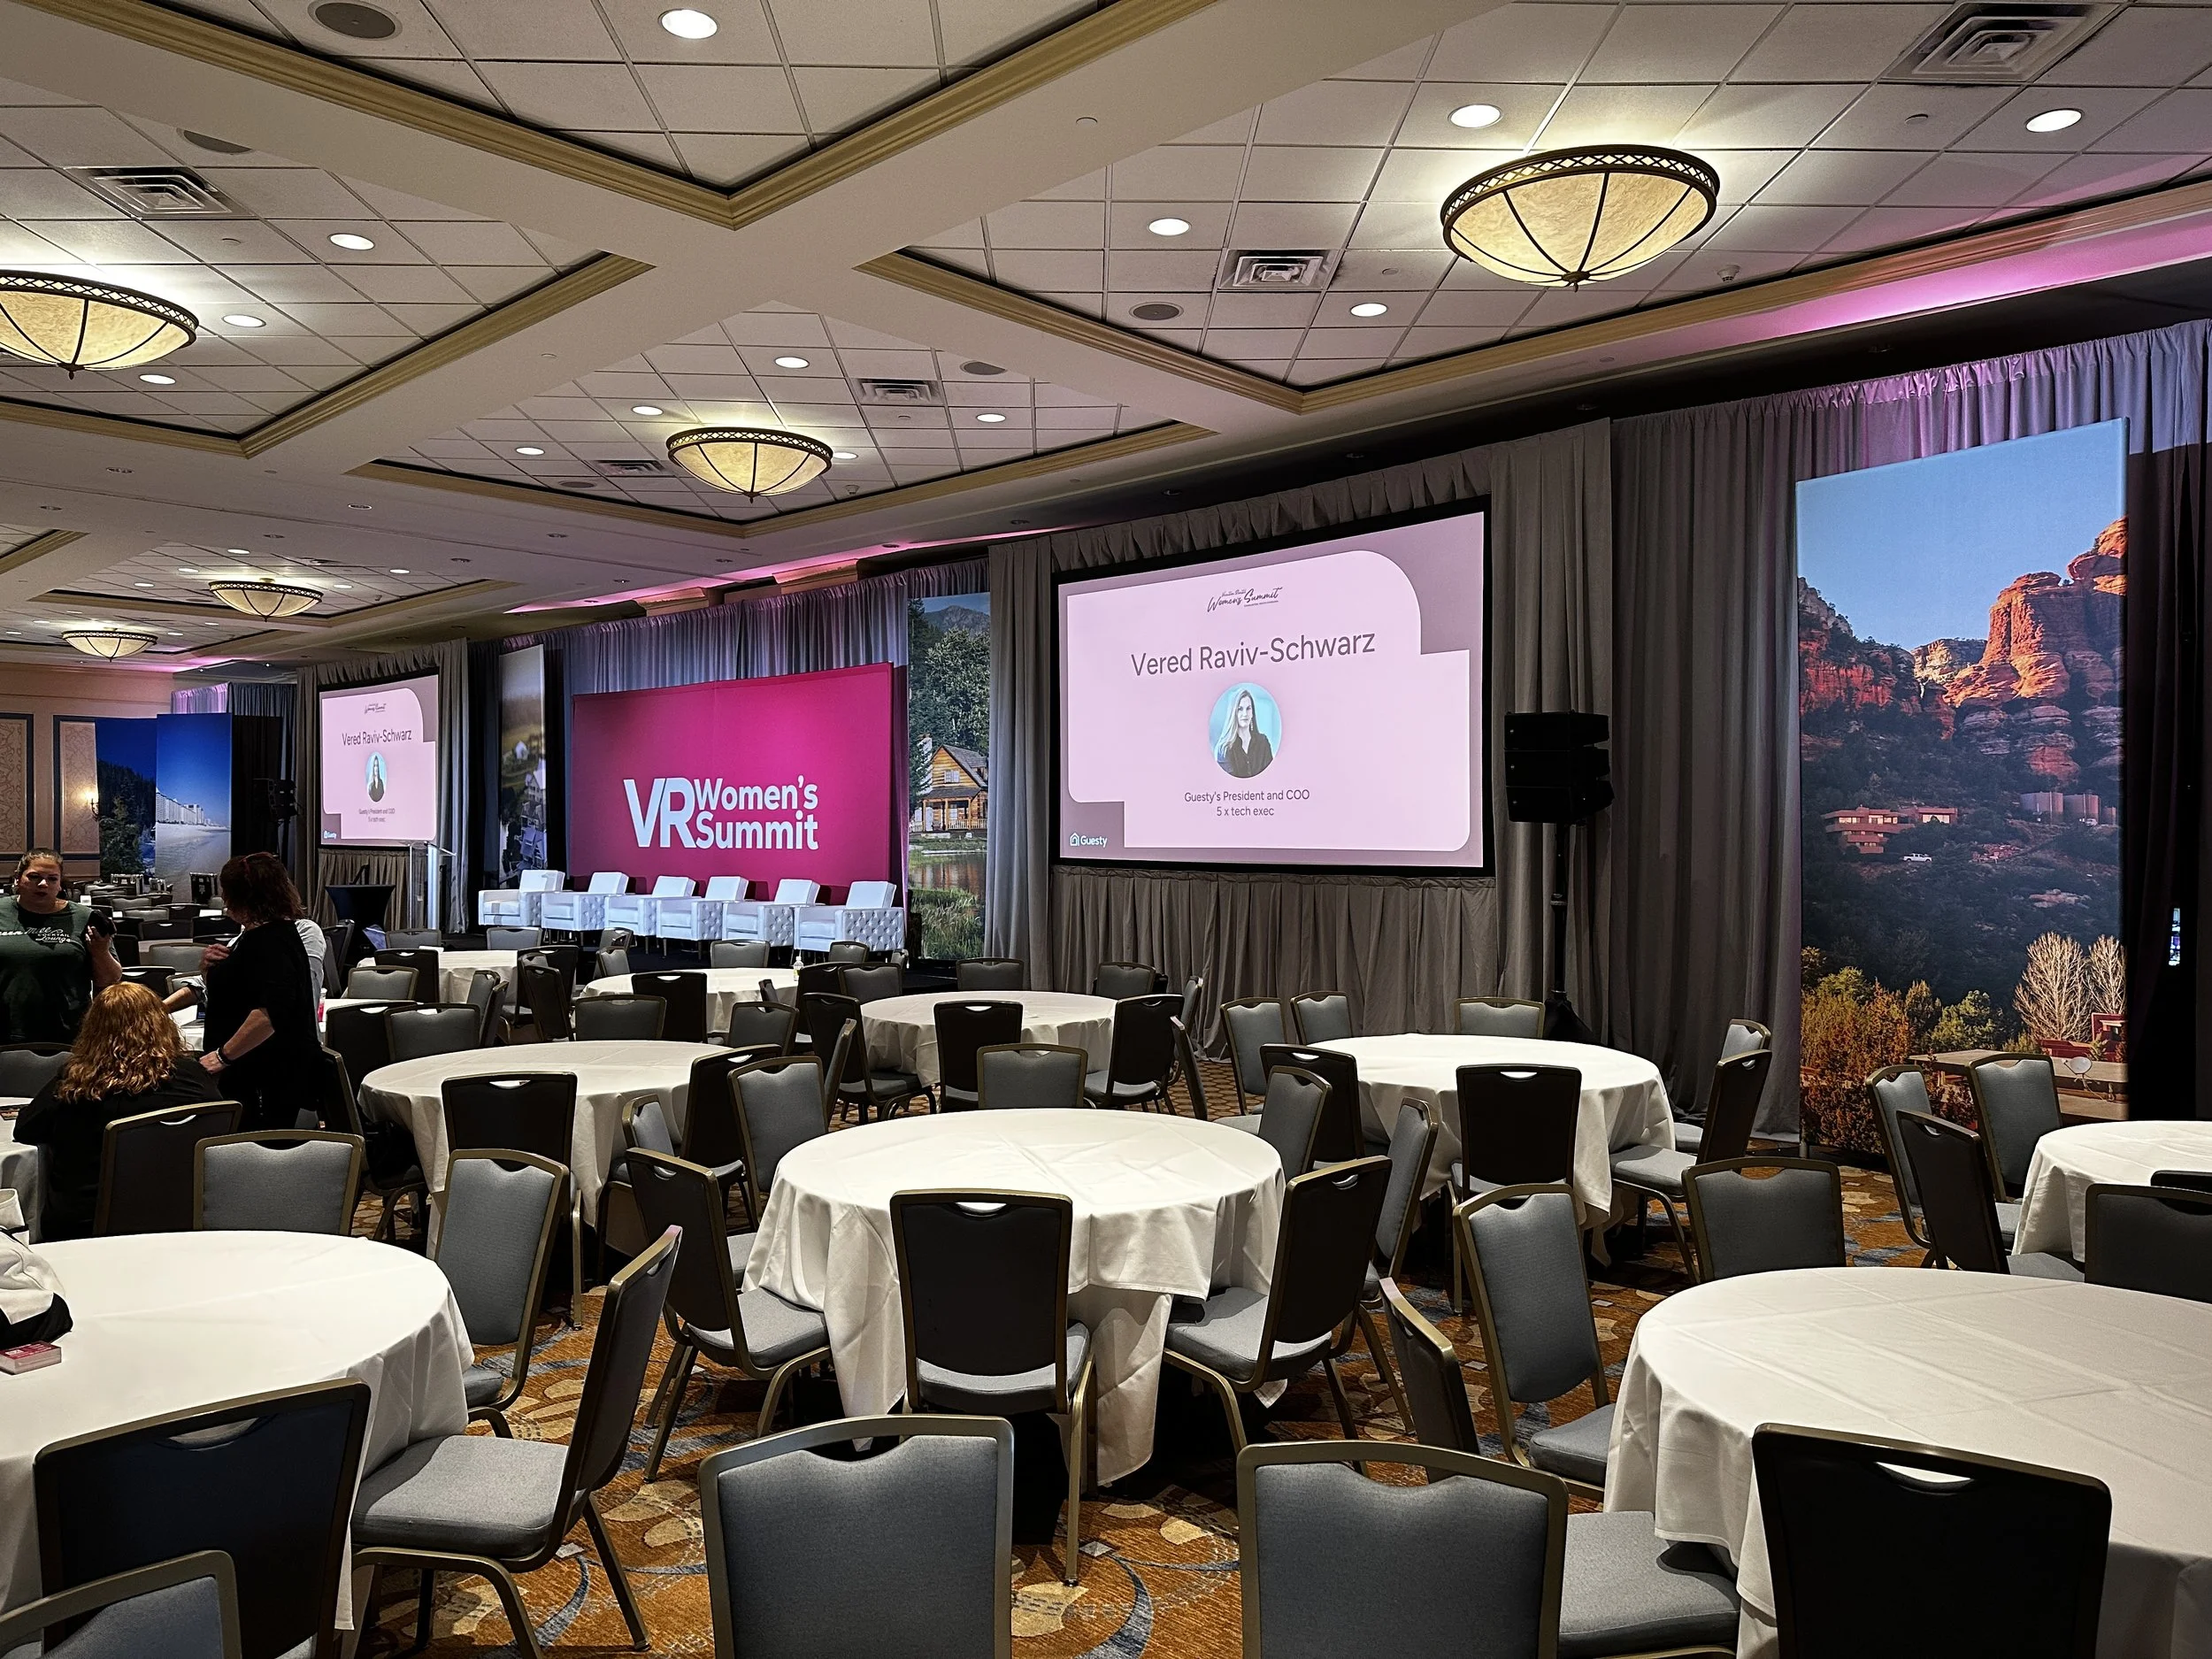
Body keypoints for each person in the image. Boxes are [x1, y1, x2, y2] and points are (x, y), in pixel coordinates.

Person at [15, 981, 219, 1240]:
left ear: (93, 1027)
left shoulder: (78, 1081)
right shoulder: (193, 1077)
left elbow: (26, 1129)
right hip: (181, 1214)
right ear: (160, 1023)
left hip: (86, 1224)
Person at [188, 853, 321, 1132]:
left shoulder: (272, 943)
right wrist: (209, 971)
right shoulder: (260, 937)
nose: (223, 901)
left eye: (226, 893)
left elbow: (271, 1014)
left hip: (262, 1076)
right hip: (250, 1072)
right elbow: (240, 995)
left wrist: (222, 1056)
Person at [0, 849, 121, 1045]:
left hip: (68, 1033)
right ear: (17, 879)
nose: (42, 884)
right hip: (6, 1030)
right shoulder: (1, 911)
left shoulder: (84, 917)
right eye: (34, 877)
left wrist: (101, 952)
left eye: (52, 879)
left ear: (60, 885)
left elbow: (110, 979)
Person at [1216, 687, 1276, 779]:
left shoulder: (1263, 743)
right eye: (1240, 709)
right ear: (1234, 713)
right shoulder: (1224, 749)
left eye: (1248, 708)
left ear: (1252, 713)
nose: (1245, 714)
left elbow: (1271, 777)